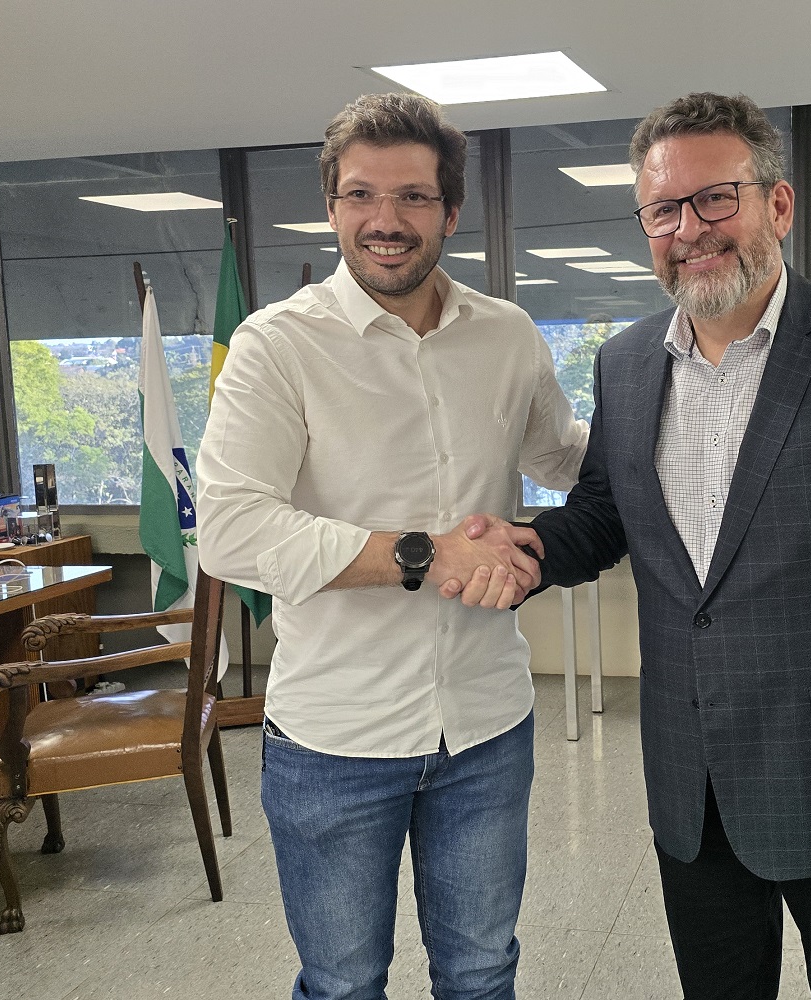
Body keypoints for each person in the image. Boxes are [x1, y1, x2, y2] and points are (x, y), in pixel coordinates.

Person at [447, 93, 811, 1000]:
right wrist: (526, 550)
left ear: (775, 205)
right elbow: (608, 510)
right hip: (692, 786)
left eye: (715, 198)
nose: (689, 230)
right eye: (662, 210)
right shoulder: (627, 362)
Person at [196, 92, 588, 1000]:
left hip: (486, 724)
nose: (386, 220)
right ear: (332, 207)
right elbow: (231, 529)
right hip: (335, 736)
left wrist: (678, 440)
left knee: (482, 975)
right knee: (342, 985)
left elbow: (560, 454)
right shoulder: (277, 346)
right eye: (361, 195)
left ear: (451, 210)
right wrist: (427, 554)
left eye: (413, 196)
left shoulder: (506, 334)